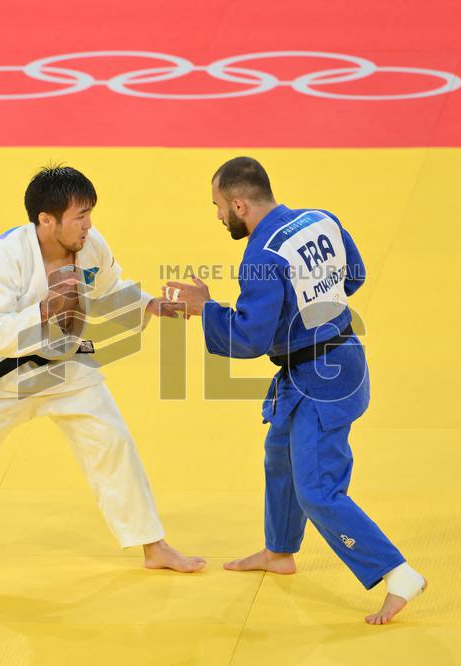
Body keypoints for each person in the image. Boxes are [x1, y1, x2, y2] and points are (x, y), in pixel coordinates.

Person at [0, 165, 205, 581]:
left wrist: (155, 305)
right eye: (79, 216)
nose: (88, 225)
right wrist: (45, 308)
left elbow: (111, 288)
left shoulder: (90, 245)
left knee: (113, 443)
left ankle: (152, 545)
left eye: (89, 213)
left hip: (65, 366)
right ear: (46, 220)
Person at [165, 156, 425, 624]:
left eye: (219, 207)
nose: (218, 216)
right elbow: (355, 277)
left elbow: (249, 338)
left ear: (240, 204)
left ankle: (397, 572)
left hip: (320, 379)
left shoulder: (262, 256)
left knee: (318, 491)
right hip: (336, 361)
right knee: (279, 453)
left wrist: (204, 308)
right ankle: (280, 551)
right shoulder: (320, 220)